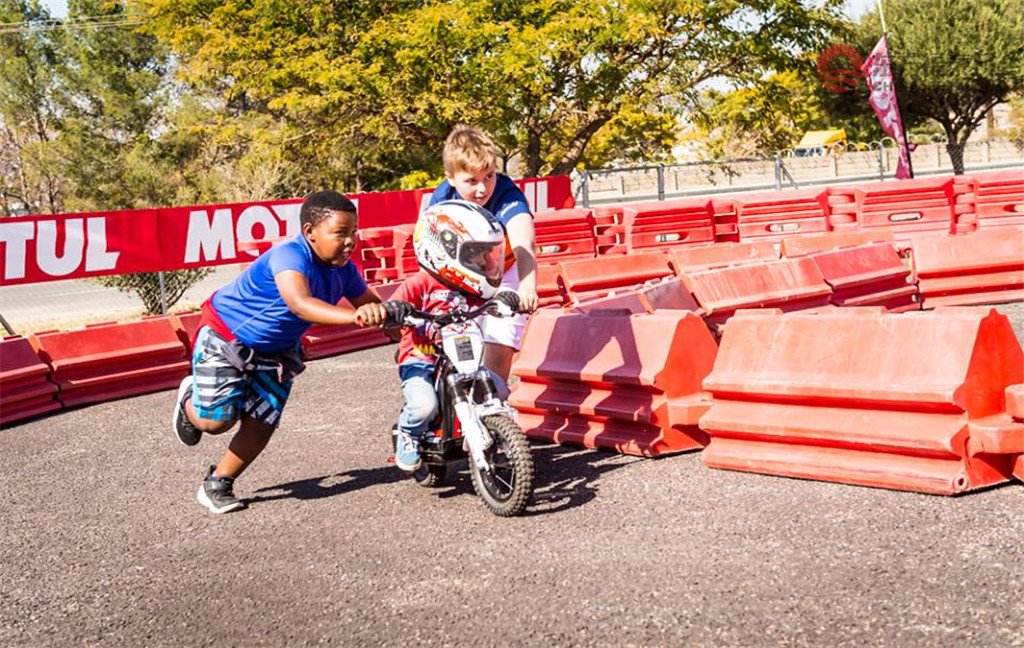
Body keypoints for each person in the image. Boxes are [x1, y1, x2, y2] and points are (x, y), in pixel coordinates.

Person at [172, 190, 390, 514]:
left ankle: (218, 482)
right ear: (310, 232)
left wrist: (408, 330)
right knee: (215, 423)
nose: (350, 242)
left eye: (354, 232)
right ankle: (190, 401)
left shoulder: (344, 270)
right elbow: (300, 304)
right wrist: (357, 316)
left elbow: (377, 309)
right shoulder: (290, 256)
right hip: (226, 335)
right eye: (340, 233)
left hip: (277, 350)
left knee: (263, 420)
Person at [359, 200, 519, 472]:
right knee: (424, 405)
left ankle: (497, 433)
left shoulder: (468, 287)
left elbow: (488, 302)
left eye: (487, 255)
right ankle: (408, 433)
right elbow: (393, 307)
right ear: (443, 249)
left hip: (463, 356)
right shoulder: (420, 283)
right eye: (476, 255)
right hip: (421, 358)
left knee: (499, 388)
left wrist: (506, 299)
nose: (485, 262)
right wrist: (391, 311)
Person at [426, 126, 538, 386]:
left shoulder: (505, 193)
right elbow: (430, 249)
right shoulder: (442, 198)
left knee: (500, 337)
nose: (482, 188)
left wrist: (527, 287)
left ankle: (493, 394)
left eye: (489, 176)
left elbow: (524, 241)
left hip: (503, 271)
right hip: (459, 274)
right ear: (451, 179)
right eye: (471, 181)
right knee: (454, 341)